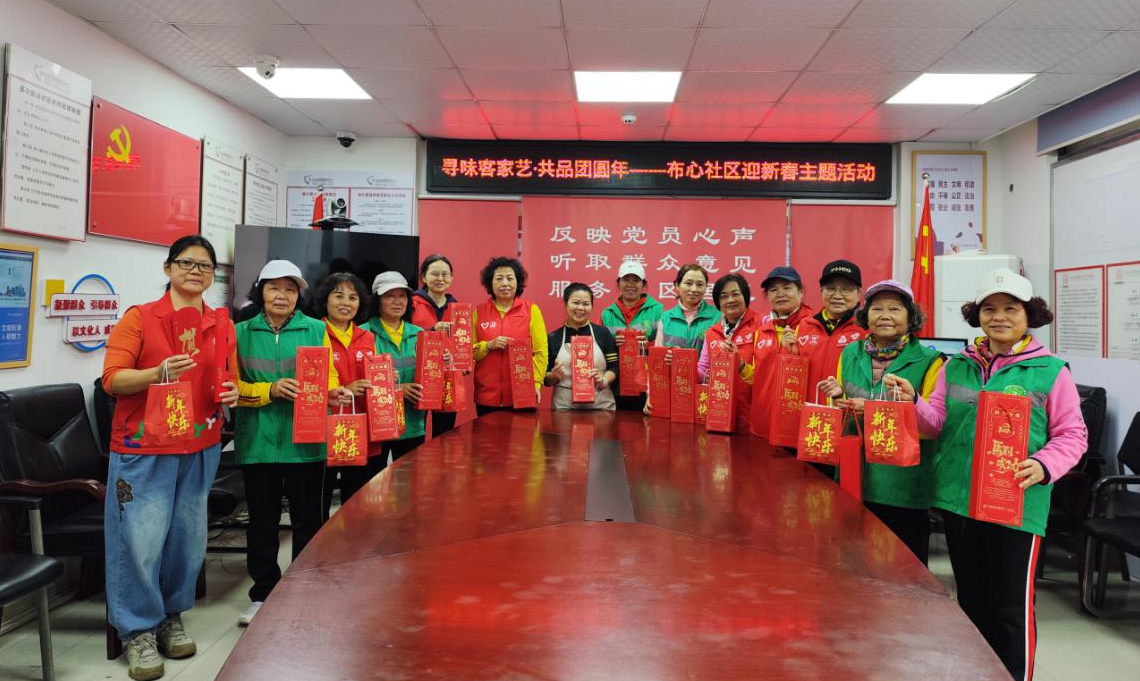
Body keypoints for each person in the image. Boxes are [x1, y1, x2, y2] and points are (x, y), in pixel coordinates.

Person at [885, 268, 1087, 681]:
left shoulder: (1050, 370)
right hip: (959, 504)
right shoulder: (956, 366)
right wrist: (912, 402)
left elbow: (1073, 434)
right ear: (977, 316)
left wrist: (1044, 465)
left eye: (1010, 308)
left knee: (1010, 610)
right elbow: (935, 423)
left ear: (1029, 315)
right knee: (972, 604)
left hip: (1016, 506)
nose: (999, 317)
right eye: (989, 309)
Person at [101, 235, 238, 681]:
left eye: (205, 266)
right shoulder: (140, 317)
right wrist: (156, 373)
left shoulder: (221, 322)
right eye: (186, 263)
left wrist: (233, 392)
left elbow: (229, 378)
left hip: (200, 445)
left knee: (187, 541)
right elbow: (112, 379)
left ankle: (170, 617)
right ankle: (137, 631)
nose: (196, 271)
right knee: (139, 542)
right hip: (144, 448)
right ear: (168, 269)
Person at [234, 260, 350, 626]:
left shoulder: (316, 329)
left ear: (299, 295)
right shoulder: (239, 333)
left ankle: (303, 590)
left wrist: (333, 393)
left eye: (290, 289)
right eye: (274, 288)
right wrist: (268, 390)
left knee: (308, 522)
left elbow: (328, 377)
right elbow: (230, 386)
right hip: (259, 441)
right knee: (263, 522)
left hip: (307, 443)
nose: (282, 295)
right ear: (261, 291)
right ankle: (263, 593)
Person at [818, 280, 943, 564]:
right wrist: (836, 397)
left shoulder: (930, 361)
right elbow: (841, 409)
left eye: (895, 309)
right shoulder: (850, 353)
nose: (885, 315)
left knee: (904, 567)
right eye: (877, 309)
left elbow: (931, 426)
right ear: (866, 315)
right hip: (854, 476)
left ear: (911, 317)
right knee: (853, 562)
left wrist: (872, 410)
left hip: (902, 486)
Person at [354, 272, 428, 494]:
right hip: (376, 425)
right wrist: (397, 389)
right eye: (389, 296)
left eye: (402, 296)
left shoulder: (420, 334)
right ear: (377, 300)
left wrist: (443, 364)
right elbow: (356, 380)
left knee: (409, 488)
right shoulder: (362, 334)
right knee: (372, 489)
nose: (397, 302)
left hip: (412, 424)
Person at [309, 272, 375, 521]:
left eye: (353, 297)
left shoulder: (368, 337)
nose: (346, 303)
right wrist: (346, 387)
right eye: (338, 296)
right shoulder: (314, 333)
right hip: (324, 430)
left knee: (357, 503)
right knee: (319, 503)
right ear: (325, 300)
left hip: (358, 430)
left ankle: (352, 545)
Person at [746, 266, 815, 442]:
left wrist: (793, 355)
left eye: (787, 288)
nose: (780, 294)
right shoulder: (762, 331)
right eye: (773, 290)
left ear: (801, 291)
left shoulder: (814, 327)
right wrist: (739, 365)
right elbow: (757, 377)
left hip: (798, 428)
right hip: (763, 425)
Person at [472, 257, 548, 414]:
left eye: (510, 278)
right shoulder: (478, 312)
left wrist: (535, 383)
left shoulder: (531, 310)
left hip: (522, 394)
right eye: (499, 278)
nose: (505, 283)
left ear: (518, 282)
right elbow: (469, 352)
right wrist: (488, 345)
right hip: (486, 396)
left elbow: (540, 351)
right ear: (490, 283)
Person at [697, 273, 760, 433]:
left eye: (735, 294)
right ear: (718, 302)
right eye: (724, 296)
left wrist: (741, 364)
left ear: (745, 296)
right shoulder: (711, 333)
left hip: (753, 420)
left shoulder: (762, 324)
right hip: (720, 419)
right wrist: (682, 364)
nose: (730, 300)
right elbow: (703, 370)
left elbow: (767, 372)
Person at [544, 283, 619, 410]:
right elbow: (544, 378)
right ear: (565, 304)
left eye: (586, 304)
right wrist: (553, 376)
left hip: (601, 407)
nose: (580, 308)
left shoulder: (603, 333)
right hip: (564, 409)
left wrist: (604, 380)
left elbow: (614, 367)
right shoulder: (553, 337)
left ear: (592, 306)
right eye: (576, 303)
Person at [410, 254, 462, 437]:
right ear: (423, 277)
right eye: (434, 274)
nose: (440, 278)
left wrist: (463, 362)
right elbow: (405, 337)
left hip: (448, 378)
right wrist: (432, 330)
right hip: (418, 378)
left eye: (445, 274)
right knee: (417, 432)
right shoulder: (412, 305)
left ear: (451, 277)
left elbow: (462, 343)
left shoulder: (458, 309)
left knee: (445, 434)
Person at [600, 261, 663, 411]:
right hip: (615, 383)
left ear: (643, 284)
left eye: (636, 280)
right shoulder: (607, 314)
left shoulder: (658, 310)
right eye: (626, 280)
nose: (631, 285)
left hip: (646, 384)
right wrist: (612, 343)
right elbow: (598, 349)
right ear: (618, 284)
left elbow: (664, 346)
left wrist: (647, 345)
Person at [798, 260, 866, 393]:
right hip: (809, 406)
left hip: (846, 405)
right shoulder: (804, 325)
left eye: (846, 289)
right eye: (830, 289)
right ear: (821, 291)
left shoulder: (868, 329)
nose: (837, 296)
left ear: (859, 293)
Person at [653, 263, 720, 350]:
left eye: (700, 284)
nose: (694, 289)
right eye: (688, 283)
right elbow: (658, 354)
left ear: (706, 287)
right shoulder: (666, 318)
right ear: (677, 285)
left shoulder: (717, 317)